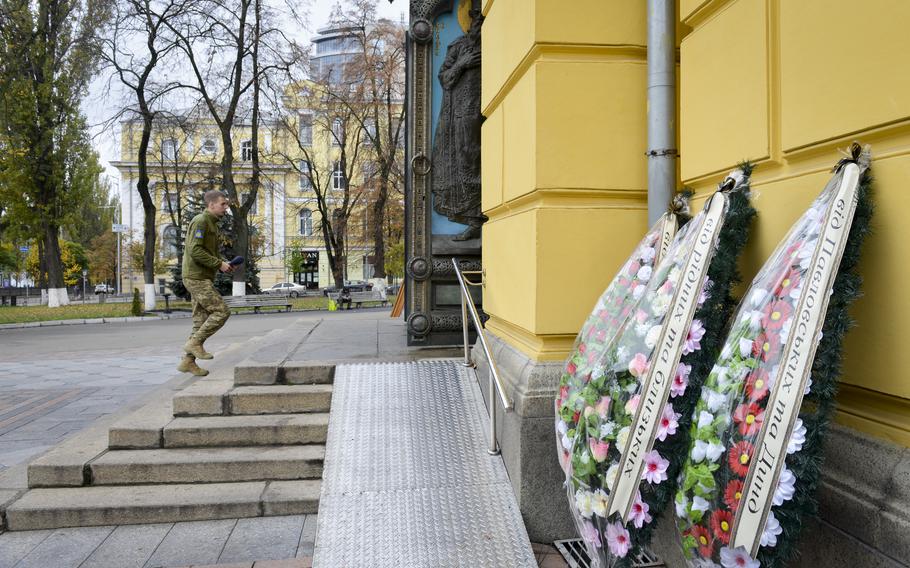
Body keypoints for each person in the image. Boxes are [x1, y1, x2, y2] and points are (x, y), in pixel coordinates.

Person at [177, 190, 234, 376]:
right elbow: (195, 250)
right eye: (223, 204)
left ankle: (188, 362)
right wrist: (219, 264)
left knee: (199, 321)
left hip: (201, 275)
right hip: (196, 276)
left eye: (226, 204)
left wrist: (221, 264)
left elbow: (206, 251)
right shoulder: (201, 221)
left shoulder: (212, 223)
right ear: (211, 205)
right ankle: (194, 344)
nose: (226, 208)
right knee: (221, 311)